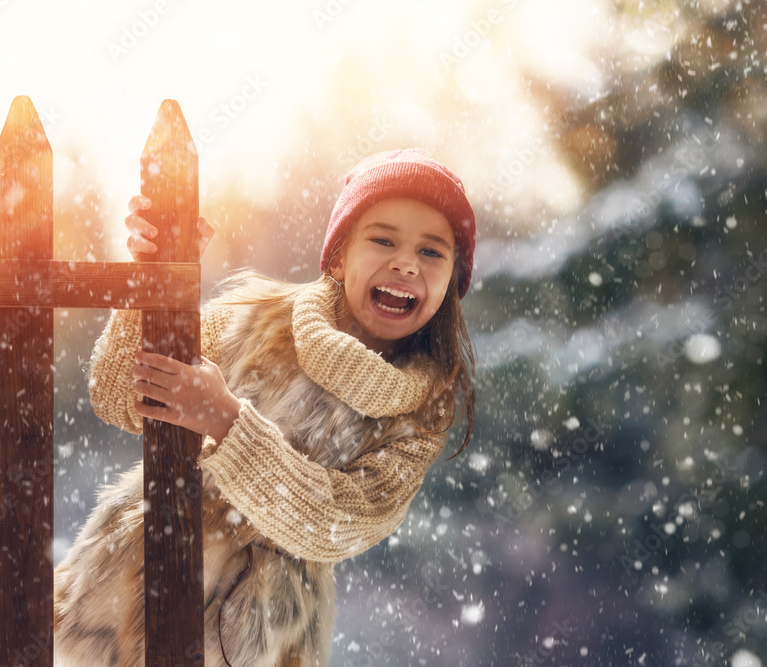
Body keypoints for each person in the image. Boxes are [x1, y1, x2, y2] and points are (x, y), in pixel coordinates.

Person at [54, 148, 477, 666]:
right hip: (116, 605)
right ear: (339, 257)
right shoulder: (256, 320)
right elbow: (121, 395)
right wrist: (153, 280)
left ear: (453, 281)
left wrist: (226, 423)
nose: (406, 262)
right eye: (383, 239)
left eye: (432, 252)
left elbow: (337, 522)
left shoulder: (419, 411)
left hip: (252, 640)